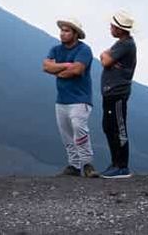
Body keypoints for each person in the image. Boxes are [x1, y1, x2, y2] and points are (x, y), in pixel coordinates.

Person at [42, 18, 99, 178]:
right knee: (66, 133)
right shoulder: (55, 49)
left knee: (79, 129)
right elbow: (46, 66)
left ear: (75, 34)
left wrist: (58, 70)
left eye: (67, 31)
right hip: (62, 99)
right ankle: (74, 165)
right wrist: (66, 65)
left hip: (80, 98)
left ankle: (87, 163)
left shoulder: (84, 50)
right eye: (62, 30)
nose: (63, 33)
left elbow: (77, 70)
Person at [99, 10, 137, 179]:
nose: (110, 28)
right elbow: (105, 57)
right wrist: (106, 57)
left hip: (117, 93)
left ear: (120, 29)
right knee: (109, 127)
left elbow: (105, 59)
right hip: (111, 93)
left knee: (118, 128)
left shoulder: (125, 44)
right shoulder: (121, 43)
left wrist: (106, 57)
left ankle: (122, 166)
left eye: (113, 25)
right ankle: (115, 162)